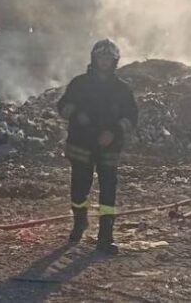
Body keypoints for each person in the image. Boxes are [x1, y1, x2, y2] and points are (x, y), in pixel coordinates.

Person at [56, 39, 138, 254]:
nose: (104, 62)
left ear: (115, 62)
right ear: (94, 59)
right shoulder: (79, 84)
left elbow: (131, 116)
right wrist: (75, 113)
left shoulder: (122, 89)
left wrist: (114, 132)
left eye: (108, 59)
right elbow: (62, 106)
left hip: (109, 147)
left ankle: (105, 236)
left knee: (108, 192)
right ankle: (80, 222)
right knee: (79, 189)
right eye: (101, 58)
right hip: (81, 145)